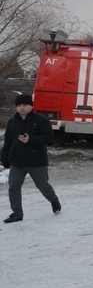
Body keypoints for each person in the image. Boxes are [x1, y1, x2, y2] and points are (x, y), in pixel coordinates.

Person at [2, 93, 61, 223]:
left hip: (36, 161)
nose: (22, 108)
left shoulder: (41, 120)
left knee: (42, 185)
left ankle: (53, 200)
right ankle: (17, 213)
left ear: (31, 106)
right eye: (19, 106)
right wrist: (4, 158)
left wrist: (31, 140)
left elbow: (50, 138)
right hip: (17, 161)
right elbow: (7, 142)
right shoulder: (12, 122)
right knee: (14, 187)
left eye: (25, 105)